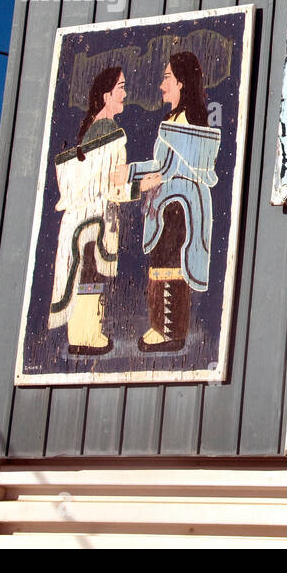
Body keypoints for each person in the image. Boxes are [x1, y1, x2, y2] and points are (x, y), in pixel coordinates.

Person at [119, 52, 221, 352]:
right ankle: (162, 327)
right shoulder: (174, 118)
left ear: (181, 81)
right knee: (161, 264)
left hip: (178, 205)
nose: (162, 84)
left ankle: (170, 331)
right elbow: (162, 165)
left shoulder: (187, 120)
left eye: (167, 78)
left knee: (170, 265)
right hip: (170, 203)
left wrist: (131, 172)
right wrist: (135, 172)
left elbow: (165, 168)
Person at [49, 67, 153, 355]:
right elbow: (111, 186)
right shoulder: (109, 131)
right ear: (107, 95)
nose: (125, 93)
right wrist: (143, 185)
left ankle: (85, 334)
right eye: (121, 87)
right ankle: (86, 336)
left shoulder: (93, 129)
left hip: (83, 219)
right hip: (95, 219)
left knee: (87, 274)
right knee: (91, 276)